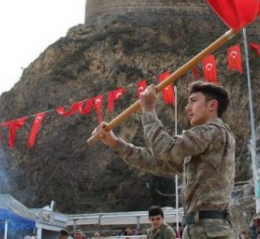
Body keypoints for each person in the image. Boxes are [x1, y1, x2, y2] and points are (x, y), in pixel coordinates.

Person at [93, 81, 236, 239]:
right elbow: (156, 161)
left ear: (212, 105)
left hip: (208, 230)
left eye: (193, 101)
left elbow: (164, 148)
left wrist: (148, 109)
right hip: (203, 228)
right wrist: (115, 143)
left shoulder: (213, 132)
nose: (187, 108)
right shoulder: (206, 142)